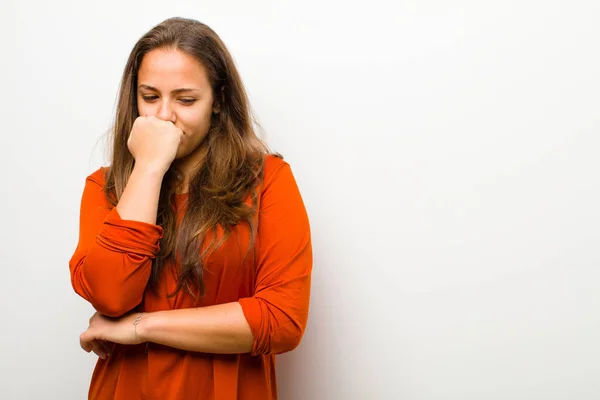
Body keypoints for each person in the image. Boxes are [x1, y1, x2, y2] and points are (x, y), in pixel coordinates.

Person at [69, 17, 312, 400]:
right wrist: (148, 168)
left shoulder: (269, 181)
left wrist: (141, 327)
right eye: (150, 97)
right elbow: (111, 296)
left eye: (185, 100)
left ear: (218, 100)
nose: (164, 115)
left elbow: (282, 321)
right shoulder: (104, 187)